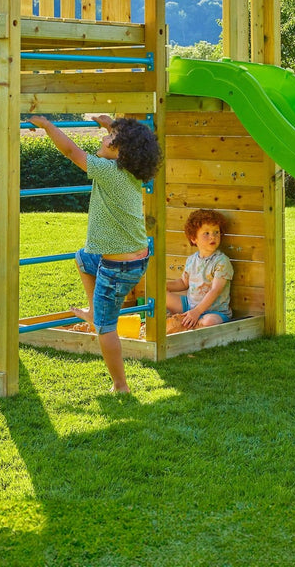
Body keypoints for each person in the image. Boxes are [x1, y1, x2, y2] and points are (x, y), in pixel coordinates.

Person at [27, 113, 161, 393]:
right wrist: (111, 124)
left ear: (119, 151)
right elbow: (127, 143)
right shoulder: (130, 173)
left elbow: (70, 151)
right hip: (134, 258)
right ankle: (92, 309)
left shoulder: (108, 172)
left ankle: (120, 385)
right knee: (83, 258)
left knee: (106, 328)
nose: (104, 138)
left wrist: (49, 126)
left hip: (117, 268)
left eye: (110, 137)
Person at [166, 208, 235, 329]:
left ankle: (185, 323)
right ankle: (188, 321)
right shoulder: (191, 260)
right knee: (160, 295)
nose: (212, 237)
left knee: (209, 322)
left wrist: (197, 312)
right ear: (194, 238)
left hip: (214, 311)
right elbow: (183, 283)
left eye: (216, 232)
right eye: (206, 233)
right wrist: (163, 286)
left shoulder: (222, 261)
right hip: (190, 306)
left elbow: (215, 290)